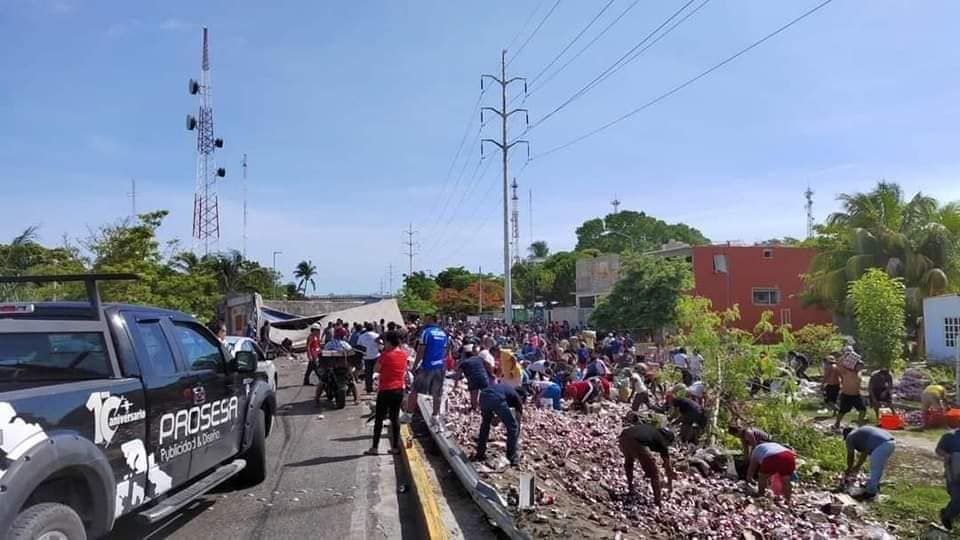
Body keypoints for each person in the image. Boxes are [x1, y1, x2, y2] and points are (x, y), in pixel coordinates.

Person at [365, 331, 406, 456]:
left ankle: (375, 448)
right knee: (395, 418)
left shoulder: (385, 355)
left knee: (379, 418)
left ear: (388, 342)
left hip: (385, 390)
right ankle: (395, 447)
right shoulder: (403, 354)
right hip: (399, 389)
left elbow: (376, 369)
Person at [404, 315, 450, 424]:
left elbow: (421, 350)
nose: (424, 321)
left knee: (414, 390)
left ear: (431, 320)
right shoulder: (443, 334)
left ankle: (409, 415)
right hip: (440, 366)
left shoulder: (426, 332)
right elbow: (446, 350)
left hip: (427, 366)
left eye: (426, 319)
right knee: (437, 393)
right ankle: (435, 417)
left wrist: (414, 366)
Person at [618, 423, 676, 506]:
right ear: (667, 439)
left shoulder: (651, 431)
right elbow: (668, 467)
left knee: (629, 461)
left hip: (623, 437)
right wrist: (670, 486)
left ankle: (630, 487)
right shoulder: (661, 441)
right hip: (637, 442)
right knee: (655, 473)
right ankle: (658, 501)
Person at [473, 383, 523, 466]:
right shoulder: (517, 397)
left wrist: (498, 419)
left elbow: (500, 406)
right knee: (513, 427)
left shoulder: (506, 389)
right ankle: (512, 457)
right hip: (496, 399)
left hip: (483, 396)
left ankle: (480, 453)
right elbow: (518, 418)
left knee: (485, 425)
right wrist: (516, 435)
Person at [843, 426, 895, 500]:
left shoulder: (850, 436)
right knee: (878, 467)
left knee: (875, 469)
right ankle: (874, 486)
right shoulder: (862, 433)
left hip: (882, 444)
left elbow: (850, 455)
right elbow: (864, 454)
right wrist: (857, 466)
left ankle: (870, 493)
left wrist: (849, 468)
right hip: (891, 442)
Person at [936, 428, 960, 529]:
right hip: (954, 471)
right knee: (957, 498)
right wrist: (947, 456)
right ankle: (947, 515)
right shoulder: (950, 436)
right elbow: (938, 450)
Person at [456, 346, 493, 410]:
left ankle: (474, 407)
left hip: (473, 379)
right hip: (483, 377)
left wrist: (455, 384)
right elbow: (488, 365)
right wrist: (491, 374)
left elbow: (458, 375)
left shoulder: (464, 363)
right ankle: (489, 407)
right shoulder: (479, 358)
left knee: (474, 394)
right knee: (486, 394)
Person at [834, 357, 866, 429]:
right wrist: (844, 356)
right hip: (846, 395)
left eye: (862, 366)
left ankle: (860, 424)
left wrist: (861, 388)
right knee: (843, 411)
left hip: (856, 395)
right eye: (859, 366)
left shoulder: (860, 373)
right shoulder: (847, 371)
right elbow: (838, 365)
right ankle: (837, 423)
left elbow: (857, 383)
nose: (860, 368)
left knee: (863, 409)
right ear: (855, 365)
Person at [357, 322, 381, 393]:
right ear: (373, 328)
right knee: (378, 372)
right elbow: (380, 345)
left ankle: (369, 388)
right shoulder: (376, 335)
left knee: (368, 373)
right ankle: (378, 387)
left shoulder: (361, 336)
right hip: (375, 356)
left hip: (366, 357)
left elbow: (359, 346)